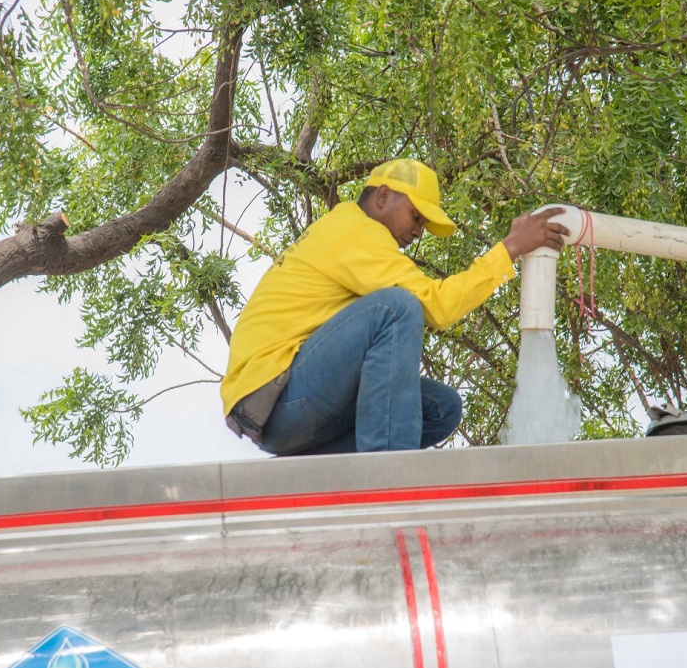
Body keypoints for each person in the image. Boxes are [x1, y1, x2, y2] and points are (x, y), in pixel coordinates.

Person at [221, 158, 569, 456]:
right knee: (397, 308)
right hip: (277, 400)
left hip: (282, 413)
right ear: (383, 197)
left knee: (440, 409)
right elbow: (439, 307)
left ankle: (316, 469)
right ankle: (389, 474)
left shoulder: (346, 230)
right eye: (417, 217)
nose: (418, 232)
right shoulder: (356, 232)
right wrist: (509, 248)